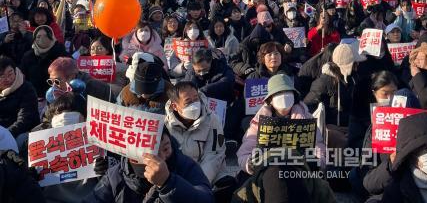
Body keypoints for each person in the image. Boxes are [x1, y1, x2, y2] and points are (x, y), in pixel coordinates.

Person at [235, 74, 328, 202]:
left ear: (294, 96)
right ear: (270, 100)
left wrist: (318, 161)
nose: (284, 96)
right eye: (278, 93)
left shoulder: (306, 118)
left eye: (287, 92)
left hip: (298, 167)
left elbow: (319, 145)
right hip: (269, 169)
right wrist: (249, 163)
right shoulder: (260, 120)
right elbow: (245, 150)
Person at [85, 129, 212, 203]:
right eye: (152, 154)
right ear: (132, 156)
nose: (161, 158)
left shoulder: (185, 165)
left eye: (166, 148)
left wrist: (169, 183)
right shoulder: (115, 176)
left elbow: (207, 199)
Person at [164, 81, 226, 186]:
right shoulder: (165, 126)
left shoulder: (212, 120)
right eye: (188, 102)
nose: (194, 104)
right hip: (178, 177)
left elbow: (213, 155)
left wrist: (198, 182)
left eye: (196, 99)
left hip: (208, 176)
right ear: (175, 106)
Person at [20, 25, 66, 98]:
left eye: (46, 36)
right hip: (35, 98)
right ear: (34, 39)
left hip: (58, 96)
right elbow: (23, 78)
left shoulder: (61, 53)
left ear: (51, 37)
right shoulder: (28, 56)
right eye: (38, 37)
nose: (42, 39)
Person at [0, 56, 38, 141]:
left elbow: (25, 118)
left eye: (10, 74)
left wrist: (6, 134)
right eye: (2, 76)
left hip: (22, 131)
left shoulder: (26, 88)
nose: (8, 79)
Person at [47, 57, 114, 103]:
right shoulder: (54, 93)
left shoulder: (97, 88)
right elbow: (47, 118)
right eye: (50, 81)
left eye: (57, 81)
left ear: (72, 77)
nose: (54, 86)